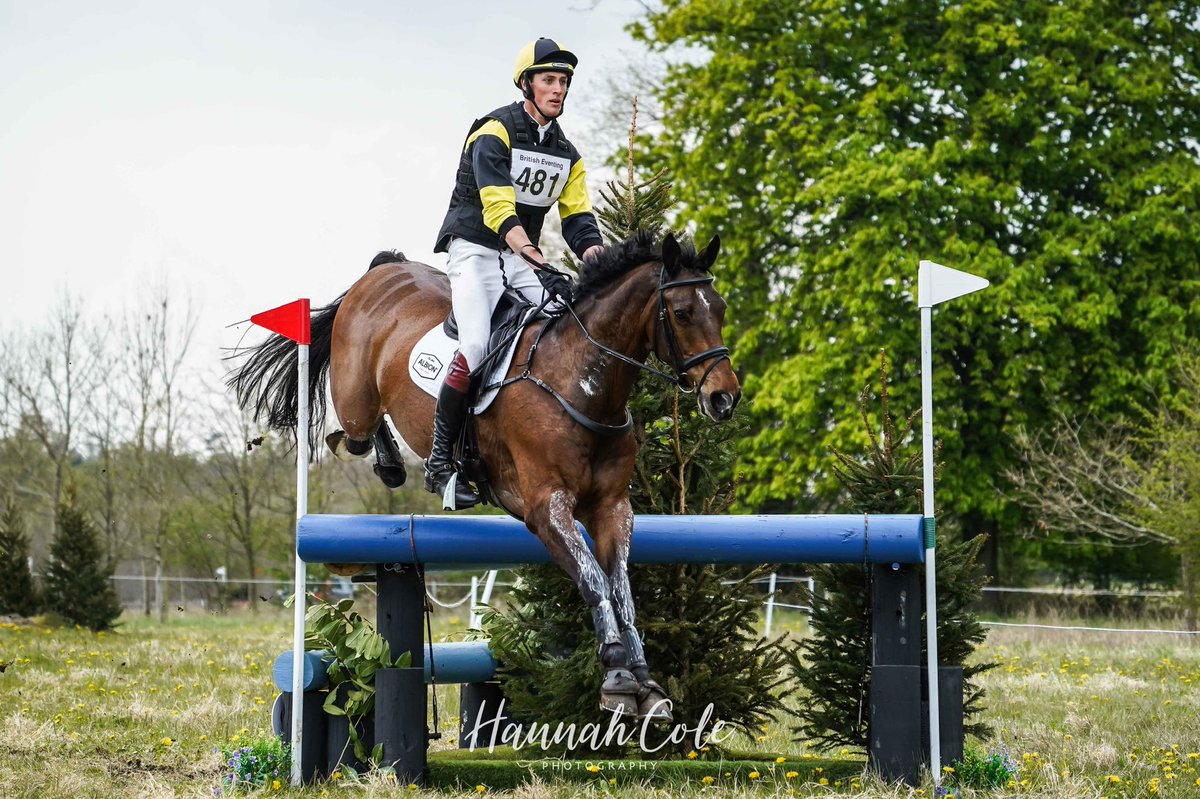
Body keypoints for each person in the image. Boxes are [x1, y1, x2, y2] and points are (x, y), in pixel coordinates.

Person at [427, 37, 605, 510]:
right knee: (476, 344)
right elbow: (498, 208)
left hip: (519, 254)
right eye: (549, 80)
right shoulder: (493, 131)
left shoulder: (568, 153)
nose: (558, 89)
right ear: (527, 83)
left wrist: (599, 260)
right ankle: (440, 463)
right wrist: (536, 258)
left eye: (563, 82)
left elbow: (577, 219)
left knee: (566, 326)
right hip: (475, 249)